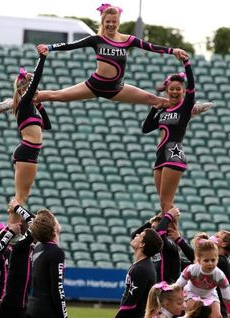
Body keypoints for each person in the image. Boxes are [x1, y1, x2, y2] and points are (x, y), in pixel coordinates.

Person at [35, 4, 189, 109]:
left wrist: (172, 51)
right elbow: (71, 45)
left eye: (114, 22)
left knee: (153, 99)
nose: (110, 25)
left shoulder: (127, 40)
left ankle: (189, 108)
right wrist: (49, 47)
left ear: (118, 22)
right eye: (107, 22)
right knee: (58, 95)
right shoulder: (96, 40)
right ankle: (20, 100)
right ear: (103, 21)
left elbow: (151, 47)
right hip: (95, 85)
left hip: (117, 88)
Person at [142, 55, 195, 215]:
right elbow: (146, 128)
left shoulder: (185, 107)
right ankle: (169, 235)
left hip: (174, 155)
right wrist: (154, 108)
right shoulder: (165, 110)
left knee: (167, 204)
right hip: (160, 156)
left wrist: (186, 63)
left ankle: (174, 237)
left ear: (184, 91)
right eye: (171, 89)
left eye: (178, 89)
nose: (174, 91)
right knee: (163, 205)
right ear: (166, 91)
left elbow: (192, 85)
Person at [8, 51, 51, 222]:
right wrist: (43, 58)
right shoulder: (24, 103)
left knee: (22, 196)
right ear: (26, 89)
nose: (37, 91)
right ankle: (12, 231)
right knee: (21, 197)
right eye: (34, 89)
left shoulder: (30, 106)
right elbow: (37, 78)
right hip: (27, 152)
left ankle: (13, 229)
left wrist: (39, 106)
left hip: (30, 153)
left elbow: (47, 125)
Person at [169, 228, 230, 318]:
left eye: (217, 236)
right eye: (207, 260)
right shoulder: (196, 267)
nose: (210, 263)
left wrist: (179, 240)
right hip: (195, 296)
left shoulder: (221, 262)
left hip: (214, 303)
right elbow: (191, 267)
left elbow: (197, 261)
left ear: (224, 244)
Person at [25, 209, 68, 318]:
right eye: (54, 219)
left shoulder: (38, 247)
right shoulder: (56, 252)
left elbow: (36, 223)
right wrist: (64, 315)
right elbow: (58, 289)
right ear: (54, 228)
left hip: (33, 307)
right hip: (47, 310)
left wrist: (17, 207)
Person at [0, 198, 36, 318]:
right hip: (10, 307)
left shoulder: (28, 247)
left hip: (19, 305)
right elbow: (34, 222)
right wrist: (17, 207)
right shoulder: (19, 246)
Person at [114, 227, 163, 318]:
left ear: (142, 244)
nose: (136, 235)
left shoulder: (142, 269)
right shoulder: (141, 265)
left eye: (140, 235)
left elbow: (131, 302)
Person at [131, 207, 181, 284]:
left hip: (169, 290)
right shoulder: (154, 246)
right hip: (157, 289)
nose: (152, 231)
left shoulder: (170, 244)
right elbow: (134, 236)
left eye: (154, 228)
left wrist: (169, 215)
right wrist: (151, 222)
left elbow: (159, 232)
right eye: (151, 228)